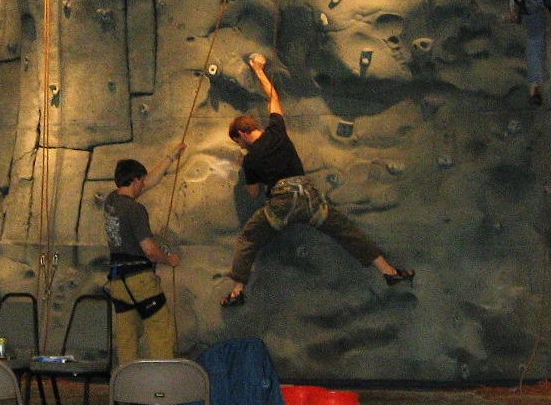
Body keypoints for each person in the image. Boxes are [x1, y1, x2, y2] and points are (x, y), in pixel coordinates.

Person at [220, 54, 413, 307]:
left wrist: (243, 164)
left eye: (238, 140)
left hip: (282, 203)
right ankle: (389, 271)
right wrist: (259, 69)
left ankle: (237, 292)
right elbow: (274, 98)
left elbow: (254, 194)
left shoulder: (250, 158)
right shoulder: (277, 130)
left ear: (243, 133)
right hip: (308, 197)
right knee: (346, 231)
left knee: (248, 238)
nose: (240, 144)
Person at [104, 143, 185, 365]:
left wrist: (171, 157)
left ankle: (126, 388)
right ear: (136, 180)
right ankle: (162, 387)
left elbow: (148, 181)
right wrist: (170, 259)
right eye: (142, 181)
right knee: (161, 332)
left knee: (127, 338)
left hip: (118, 282)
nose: (143, 185)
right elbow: (150, 250)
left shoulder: (111, 201)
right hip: (140, 280)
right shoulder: (135, 210)